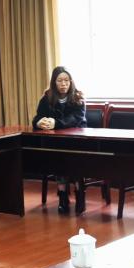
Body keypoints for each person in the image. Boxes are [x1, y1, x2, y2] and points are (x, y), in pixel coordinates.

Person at [33, 66, 87, 214]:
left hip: (78, 141)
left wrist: (56, 123)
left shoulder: (78, 98)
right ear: (54, 82)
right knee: (58, 157)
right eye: (60, 81)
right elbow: (37, 117)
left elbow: (75, 119)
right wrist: (39, 122)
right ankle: (63, 196)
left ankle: (80, 196)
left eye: (66, 80)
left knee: (76, 160)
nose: (64, 84)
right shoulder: (47, 98)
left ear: (71, 81)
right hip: (58, 142)